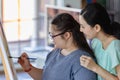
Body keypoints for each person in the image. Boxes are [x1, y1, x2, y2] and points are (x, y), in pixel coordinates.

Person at [18, 13, 97, 80]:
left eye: (53, 35)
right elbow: (46, 76)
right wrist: (28, 68)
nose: (51, 39)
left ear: (66, 35)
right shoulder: (55, 52)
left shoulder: (83, 61)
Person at [79, 3, 120, 80]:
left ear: (97, 28)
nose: (80, 30)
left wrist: (95, 67)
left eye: (83, 26)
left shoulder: (115, 46)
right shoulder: (95, 42)